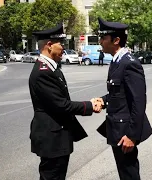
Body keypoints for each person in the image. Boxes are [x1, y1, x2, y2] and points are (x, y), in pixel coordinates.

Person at [28, 23, 103, 180]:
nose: (63, 47)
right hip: (51, 138)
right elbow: (61, 105)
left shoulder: (51, 68)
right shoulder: (43, 73)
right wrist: (90, 105)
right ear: (49, 45)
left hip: (57, 136)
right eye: (60, 43)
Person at [93, 17, 152, 180]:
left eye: (103, 38)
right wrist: (104, 100)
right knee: (125, 174)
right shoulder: (116, 62)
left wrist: (132, 135)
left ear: (116, 40)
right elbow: (119, 94)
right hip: (117, 129)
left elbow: (138, 102)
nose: (100, 41)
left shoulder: (129, 63)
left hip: (125, 133)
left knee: (129, 175)